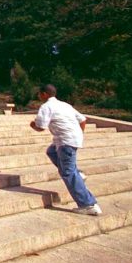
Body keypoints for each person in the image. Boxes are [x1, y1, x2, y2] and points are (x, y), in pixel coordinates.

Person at [30, 84, 102, 215]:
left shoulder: (46, 106)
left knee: (68, 173)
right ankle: (78, 173)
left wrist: (32, 125)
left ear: (45, 94)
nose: (38, 96)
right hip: (72, 139)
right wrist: (78, 134)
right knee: (51, 151)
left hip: (65, 141)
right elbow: (83, 119)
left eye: (39, 94)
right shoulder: (64, 105)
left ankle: (88, 204)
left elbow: (40, 127)